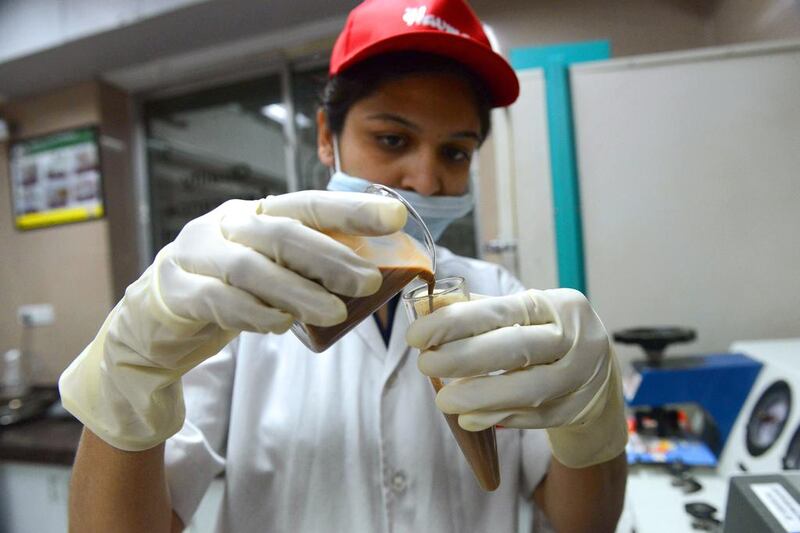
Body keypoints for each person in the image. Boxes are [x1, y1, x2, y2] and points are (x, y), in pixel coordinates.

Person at [59, 0, 628, 531]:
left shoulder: (497, 294)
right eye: (391, 138)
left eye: (455, 152)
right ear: (328, 137)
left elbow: (582, 522)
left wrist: (592, 430)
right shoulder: (237, 307)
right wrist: (127, 380)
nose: (424, 179)